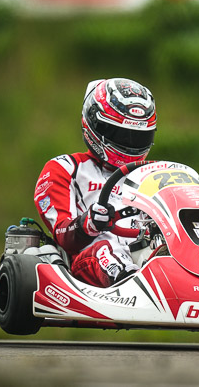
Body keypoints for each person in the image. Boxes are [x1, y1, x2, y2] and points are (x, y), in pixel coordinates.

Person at [33, 78, 156, 287]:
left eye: (139, 137)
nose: (131, 144)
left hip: (145, 255)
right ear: (95, 125)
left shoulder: (153, 174)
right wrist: (88, 223)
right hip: (90, 259)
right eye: (122, 135)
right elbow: (63, 235)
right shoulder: (64, 169)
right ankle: (131, 284)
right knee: (107, 249)